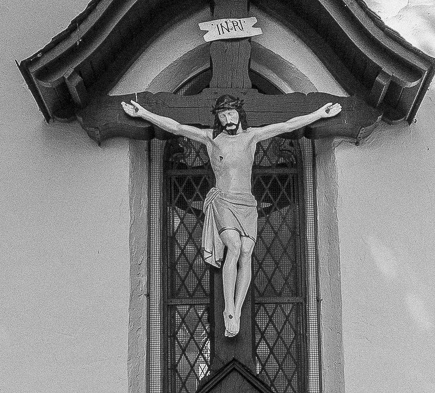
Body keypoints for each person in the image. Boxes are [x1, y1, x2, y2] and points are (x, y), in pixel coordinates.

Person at [122, 94, 341, 337]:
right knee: (234, 247)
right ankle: (228, 309)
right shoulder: (211, 138)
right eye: (223, 115)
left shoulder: (252, 136)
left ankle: (237, 310)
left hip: (246, 203)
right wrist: (143, 113)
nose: (228, 119)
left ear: (239, 114)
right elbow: (176, 127)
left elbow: (287, 126)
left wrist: (319, 114)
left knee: (246, 252)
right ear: (218, 118)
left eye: (231, 113)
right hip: (224, 200)